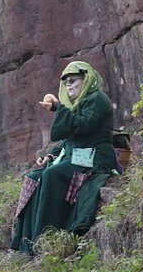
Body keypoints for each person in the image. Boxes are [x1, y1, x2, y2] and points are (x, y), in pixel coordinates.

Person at [10, 61, 116, 253]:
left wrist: (58, 108)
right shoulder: (78, 104)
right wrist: (51, 156)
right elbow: (69, 141)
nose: (68, 85)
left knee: (52, 175)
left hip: (96, 159)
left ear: (87, 80)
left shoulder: (97, 99)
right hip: (78, 158)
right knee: (34, 177)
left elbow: (84, 126)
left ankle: (45, 240)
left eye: (73, 80)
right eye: (66, 82)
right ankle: (27, 243)